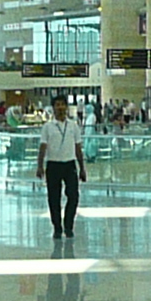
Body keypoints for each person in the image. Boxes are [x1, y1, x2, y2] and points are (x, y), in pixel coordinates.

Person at [36, 93, 86, 242]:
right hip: (53, 165)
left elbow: (78, 148)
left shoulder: (73, 126)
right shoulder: (48, 127)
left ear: (66, 106)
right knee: (54, 198)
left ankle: (68, 225)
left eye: (62, 104)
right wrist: (40, 166)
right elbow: (42, 147)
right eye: (57, 105)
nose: (60, 107)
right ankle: (57, 227)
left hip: (69, 164)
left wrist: (82, 167)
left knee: (73, 196)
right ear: (53, 108)